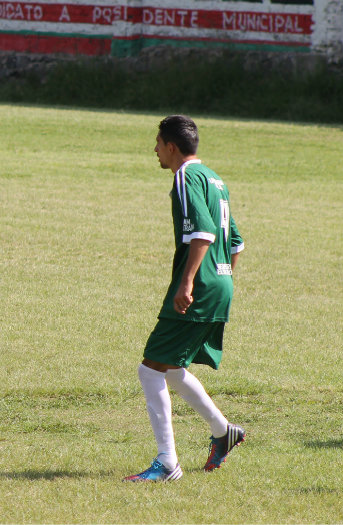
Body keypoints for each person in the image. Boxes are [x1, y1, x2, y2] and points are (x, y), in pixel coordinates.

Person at [124, 115, 246, 482]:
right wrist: (218, 279)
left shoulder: (185, 176)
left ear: (172, 147)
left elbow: (204, 233)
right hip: (220, 284)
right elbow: (236, 242)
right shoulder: (215, 178)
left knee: (150, 369)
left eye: (158, 144)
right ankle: (224, 431)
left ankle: (167, 464)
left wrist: (190, 282)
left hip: (202, 287)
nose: (155, 150)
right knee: (171, 367)